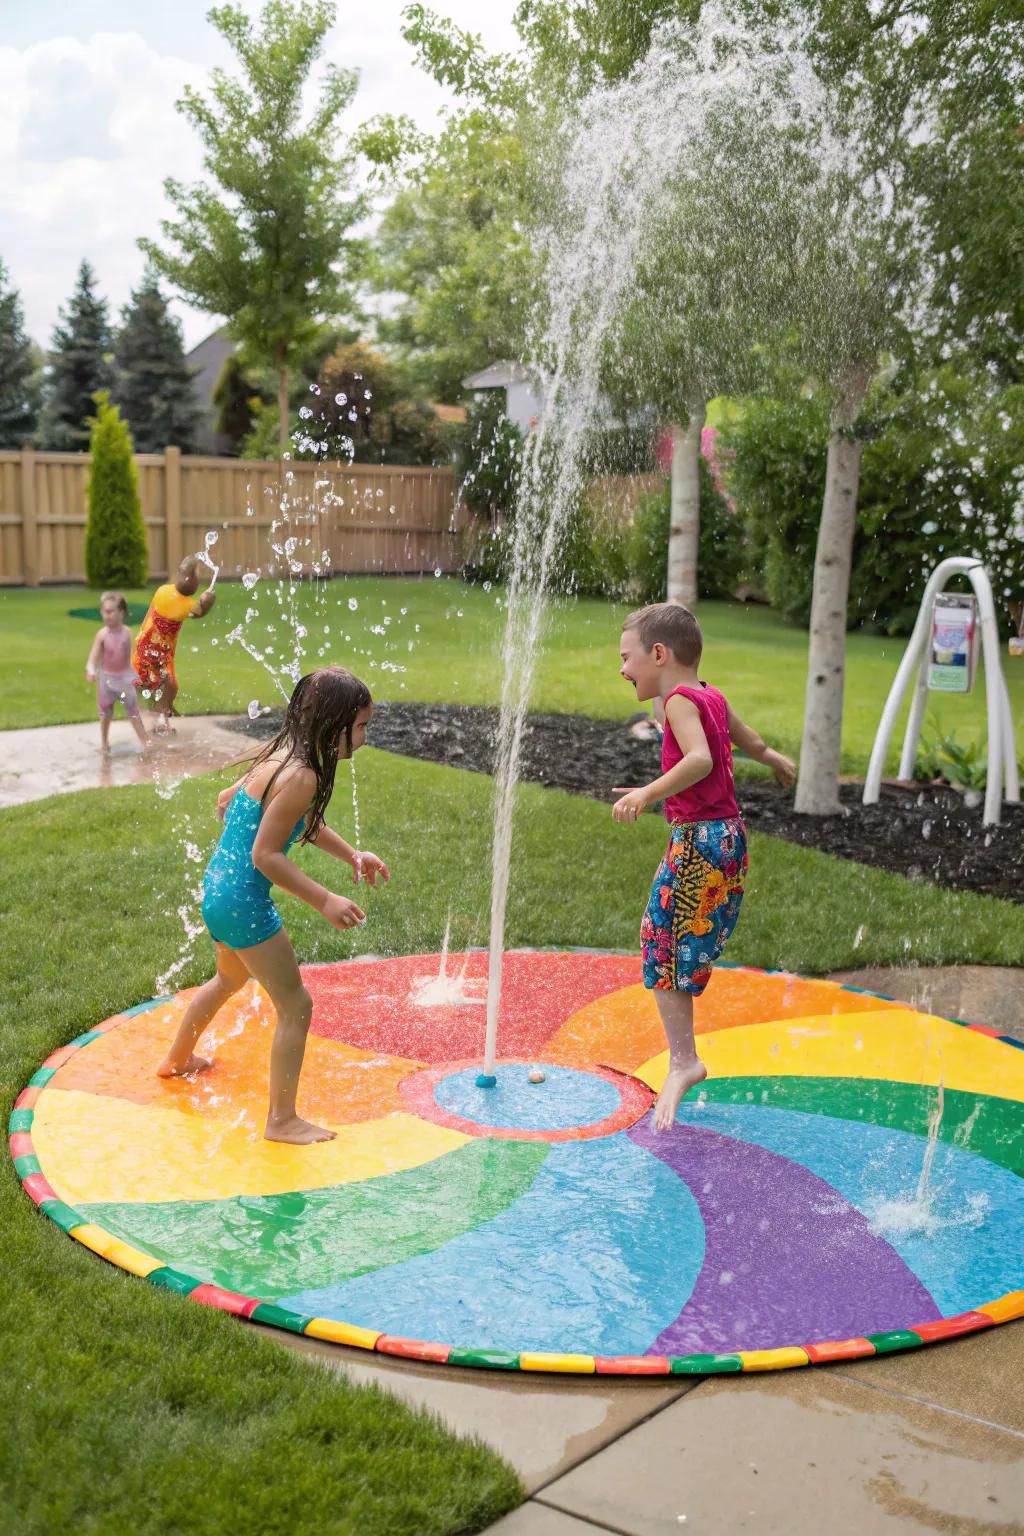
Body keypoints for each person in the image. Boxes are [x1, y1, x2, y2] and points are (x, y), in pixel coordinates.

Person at [157, 666, 389, 1145]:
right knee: (297, 1005)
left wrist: (352, 855)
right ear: (334, 724)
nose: (366, 736)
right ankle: (281, 1120)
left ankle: (177, 1059)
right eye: (361, 725)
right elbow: (266, 855)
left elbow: (259, 811)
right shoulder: (302, 774)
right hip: (243, 903)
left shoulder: (284, 755)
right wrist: (324, 899)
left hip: (217, 891)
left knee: (229, 978)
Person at [612, 603, 796, 1131]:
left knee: (662, 941)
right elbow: (744, 739)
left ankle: (683, 1061)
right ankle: (683, 1058)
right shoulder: (710, 695)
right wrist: (774, 758)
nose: (623, 669)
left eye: (628, 658)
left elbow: (701, 760)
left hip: (701, 839)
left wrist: (646, 792)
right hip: (727, 838)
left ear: (660, 654)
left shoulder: (677, 702)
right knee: (671, 935)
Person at [132, 556, 216, 733]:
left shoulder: (163, 590)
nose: (197, 582)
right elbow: (200, 612)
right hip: (151, 650)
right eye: (196, 578)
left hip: (155, 648)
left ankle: (162, 715)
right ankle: (159, 717)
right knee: (167, 685)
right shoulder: (184, 605)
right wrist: (208, 601)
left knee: (163, 686)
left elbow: (181, 589)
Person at [84, 590, 149, 756]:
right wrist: (91, 670)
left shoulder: (127, 633)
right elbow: (93, 658)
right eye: (104, 611)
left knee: (134, 712)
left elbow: (131, 658)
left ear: (122, 612)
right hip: (107, 681)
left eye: (111, 611)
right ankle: (104, 743)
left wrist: (137, 674)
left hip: (125, 679)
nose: (107, 615)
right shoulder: (102, 635)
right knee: (105, 713)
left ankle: (145, 742)